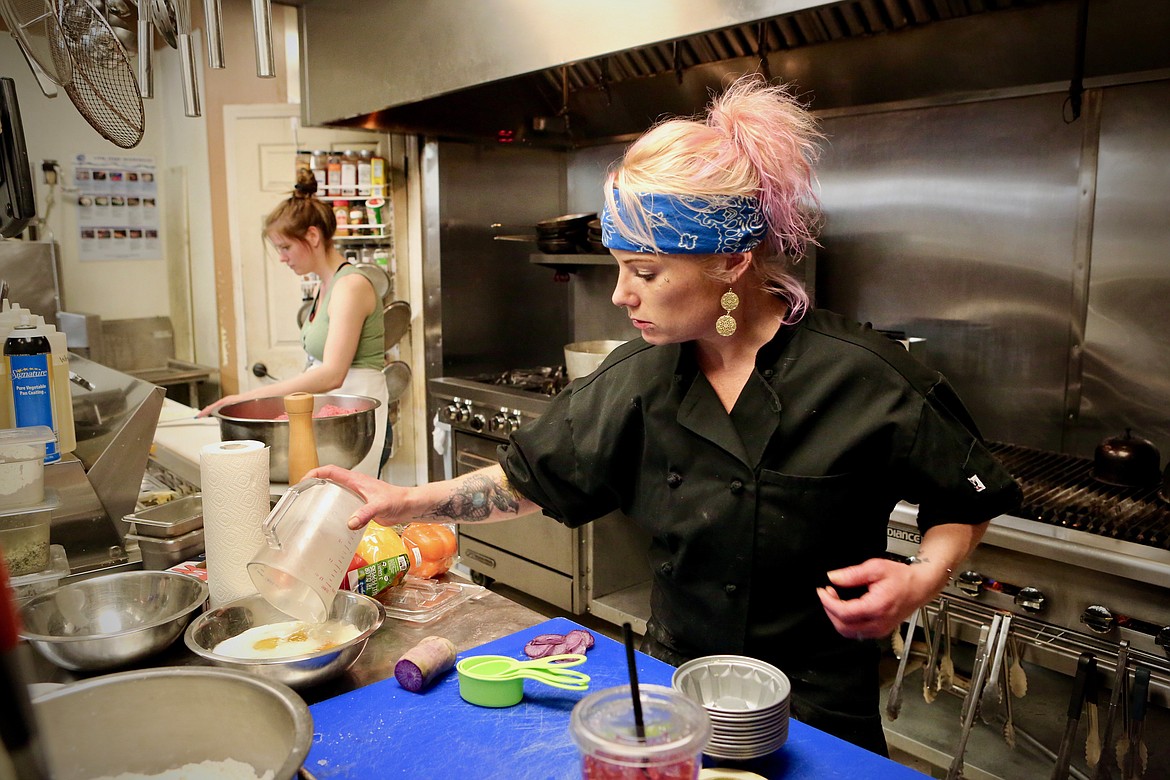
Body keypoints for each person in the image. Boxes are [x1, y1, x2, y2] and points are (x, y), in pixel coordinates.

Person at [311, 74, 1021, 755]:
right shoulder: (640, 380)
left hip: (815, 714)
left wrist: (923, 576)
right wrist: (407, 502)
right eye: (619, 267)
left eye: (645, 272)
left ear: (732, 262)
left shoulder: (867, 375)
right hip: (672, 693)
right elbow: (530, 479)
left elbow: (965, 496)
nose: (622, 295)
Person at [200, 169, 388, 478]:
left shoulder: (351, 286)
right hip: (334, 417)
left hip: (356, 423)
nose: (283, 258)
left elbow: (331, 375)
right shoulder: (323, 285)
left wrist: (249, 398)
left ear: (312, 236)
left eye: (285, 248)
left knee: (348, 513)